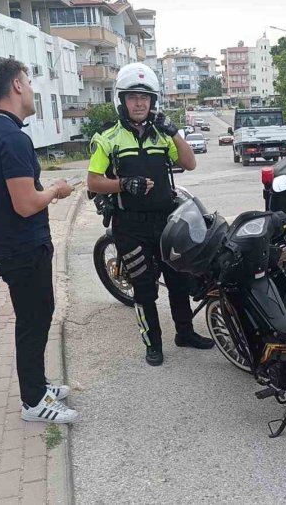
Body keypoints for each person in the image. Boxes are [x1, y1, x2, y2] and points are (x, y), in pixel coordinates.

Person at [0, 57, 79, 423]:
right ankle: (33, 402)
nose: (31, 89)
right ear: (17, 85)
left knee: (36, 316)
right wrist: (56, 191)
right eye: (28, 82)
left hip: (10, 247)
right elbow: (26, 203)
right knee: (33, 321)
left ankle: (38, 385)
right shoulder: (13, 137)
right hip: (22, 249)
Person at [87, 63, 214, 367]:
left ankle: (185, 333)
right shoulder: (108, 137)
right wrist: (123, 184)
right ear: (122, 100)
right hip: (130, 226)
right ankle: (152, 344)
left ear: (153, 101)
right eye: (133, 97)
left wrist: (174, 132)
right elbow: (93, 182)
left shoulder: (162, 135)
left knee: (179, 280)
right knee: (144, 288)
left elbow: (189, 163)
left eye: (145, 98)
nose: (139, 103)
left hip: (166, 222)